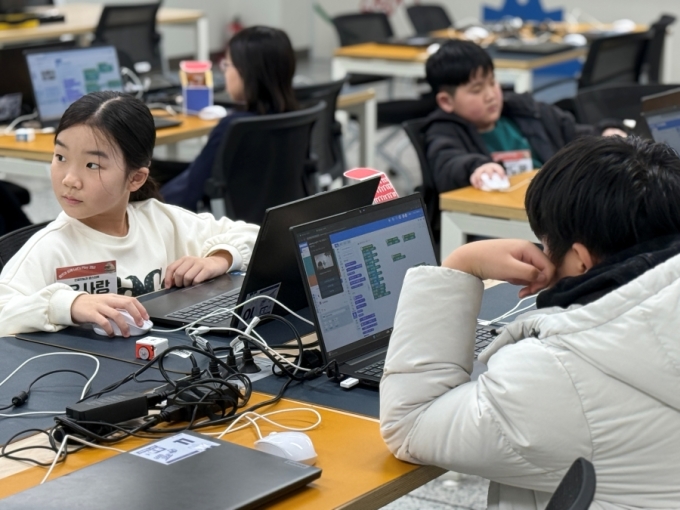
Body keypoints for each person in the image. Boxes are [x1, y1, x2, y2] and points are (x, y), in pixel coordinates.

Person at [380, 136, 680, 507]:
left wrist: (460, 264)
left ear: (580, 260)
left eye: (546, 243)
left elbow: (411, 425)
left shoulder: (561, 371)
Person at [0, 91, 259, 338]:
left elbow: (256, 235)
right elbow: (4, 308)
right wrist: (68, 304)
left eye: (92, 165)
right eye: (60, 157)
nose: (69, 179)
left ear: (135, 178)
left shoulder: (160, 220)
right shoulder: (51, 246)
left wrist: (221, 257)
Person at [423, 40, 626, 192]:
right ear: (446, 102)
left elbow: (571, 132)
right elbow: (447, 164)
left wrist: (603, 133)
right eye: (476, 90)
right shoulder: (444, 130)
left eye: (493, 82)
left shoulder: (525, 111)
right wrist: (477, 168)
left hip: (551, 204)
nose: (490, 95)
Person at [159, 26, 299, 211]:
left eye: (227, 65)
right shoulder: (298, 118)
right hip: (278, 219)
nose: (224, 72)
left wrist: (148, 203)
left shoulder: (234, 127)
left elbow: (189, 191)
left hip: (228, 221)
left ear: (247, 72)